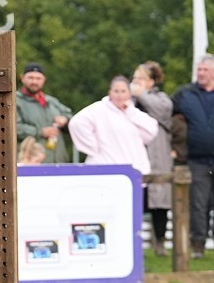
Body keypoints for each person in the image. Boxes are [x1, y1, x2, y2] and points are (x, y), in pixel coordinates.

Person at [68, 76, 158, 178]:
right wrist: (93, 148)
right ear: (109, 93)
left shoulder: (133, 113)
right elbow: (76, 123)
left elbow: (152, 130)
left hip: (133, 173)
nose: (119, 95)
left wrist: (129, 112)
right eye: (116, 91)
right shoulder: (99, 109)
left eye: (123, 91)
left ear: (129, 94)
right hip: (105, 170)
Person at [172, 54, 214, 258]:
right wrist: (174, 145)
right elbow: (166, 114)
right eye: (199, 69)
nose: (201, 73)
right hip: (197, 159)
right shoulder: (184, 94)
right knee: (198, 204)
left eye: (205, 69)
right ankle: (198, 246)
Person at [131, 61, 174, 256]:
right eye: (134, 79)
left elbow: (162, 111)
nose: (135, 83)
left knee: (159, 205)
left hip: (158, 158)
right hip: (135, 158)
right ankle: (134, 244)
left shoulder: (161, 99)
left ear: (151, 82)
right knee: (135, 202)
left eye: (140, 79)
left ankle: (160, 244)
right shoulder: (129, 101)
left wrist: (142, 95)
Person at [15, 62, 73, 164]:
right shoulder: (14, 101)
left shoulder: (51, 101)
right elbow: (13, 128)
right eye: (31, 78)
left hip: (59, 163)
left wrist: (65, 120)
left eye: (38, 78)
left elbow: (73, 120)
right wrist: (41, 132)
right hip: (32, 163)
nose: (34, 82)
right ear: (22, 78)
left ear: (44, 80)